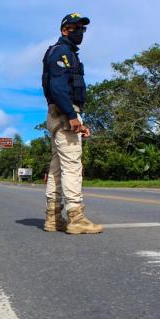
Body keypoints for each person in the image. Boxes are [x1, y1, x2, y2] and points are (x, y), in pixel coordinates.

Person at [42, 13, 103, 234]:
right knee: (72, 166)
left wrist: (76, 118)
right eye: (76, 28)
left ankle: (53, 218)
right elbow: (58, 88)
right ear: (65, 30)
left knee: (57, 168)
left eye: (83, 29)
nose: (81, 33)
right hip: (63, 112)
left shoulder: (67, 54)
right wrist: (71, 114)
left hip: (63, 113)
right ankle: (76, 218)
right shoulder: (61, 52)